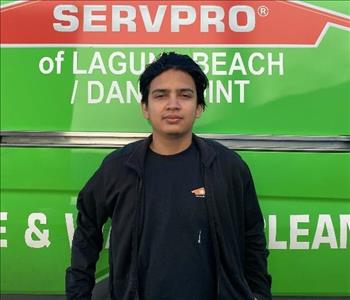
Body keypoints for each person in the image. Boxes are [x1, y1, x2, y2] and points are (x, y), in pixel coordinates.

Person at [66, 52, 272, 300]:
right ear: (145, 107)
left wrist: (259, 293)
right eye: (161, 95)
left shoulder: (228, 167)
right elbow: (87, 227)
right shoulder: (119, 168)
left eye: (184, 95)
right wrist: (78, 293)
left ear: (198, 108)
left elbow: (253, 238)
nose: (173, 104)